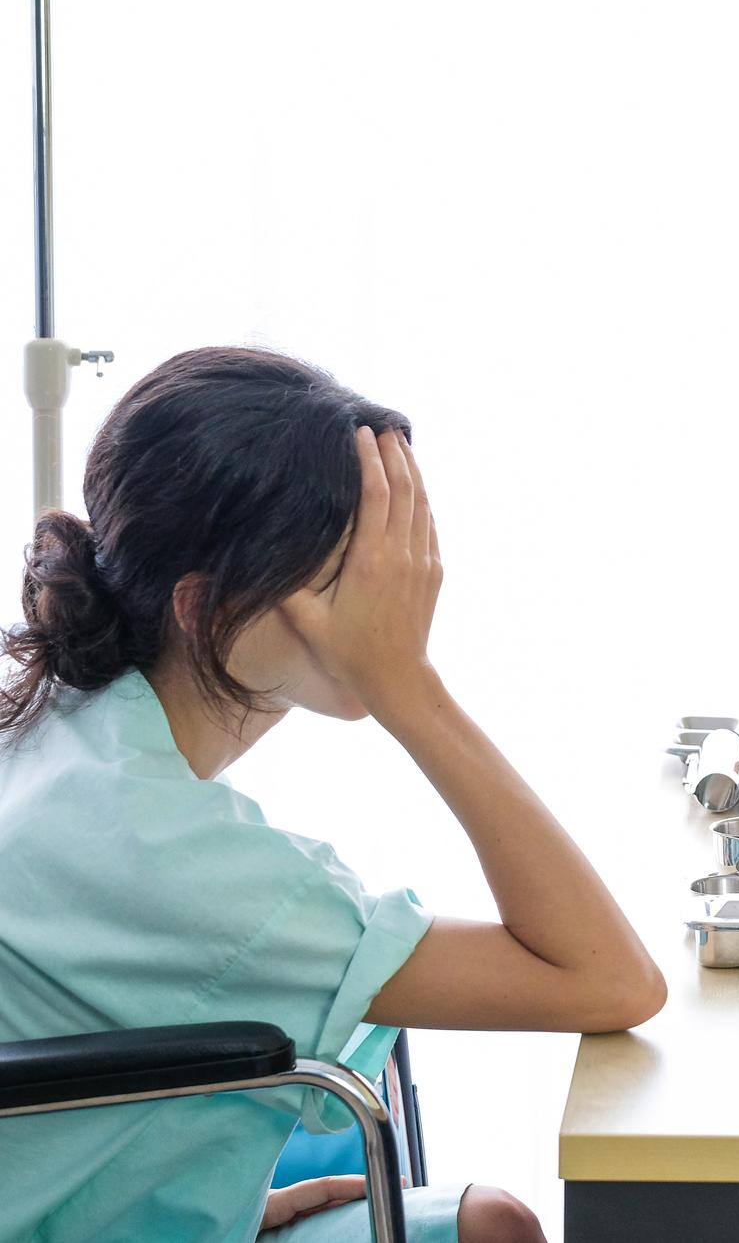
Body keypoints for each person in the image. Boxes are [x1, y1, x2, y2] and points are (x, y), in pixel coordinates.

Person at [0, 347, 667, 1241]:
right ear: (205, 610)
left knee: (486, 1222)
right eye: (340, 581)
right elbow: (610, 979)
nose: (384, 610)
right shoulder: (165, 846)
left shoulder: (58, 723)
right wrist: (406, 684)